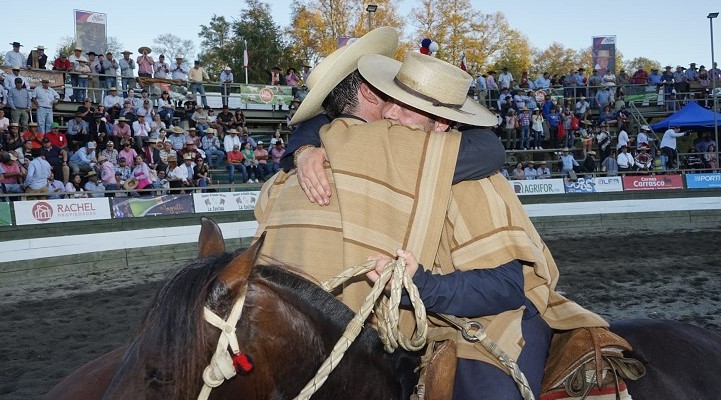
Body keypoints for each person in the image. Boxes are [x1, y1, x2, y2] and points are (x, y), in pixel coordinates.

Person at [256, 29, 615, 400]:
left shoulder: (461, 175)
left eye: (406, 105)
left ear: (442, 124)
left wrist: (421, 286)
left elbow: (509, 287)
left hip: (491, 322)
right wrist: (303, 145)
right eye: (389, 98)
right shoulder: (356, 149)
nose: (392, 114)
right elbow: (484, 147)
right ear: (371, 95)